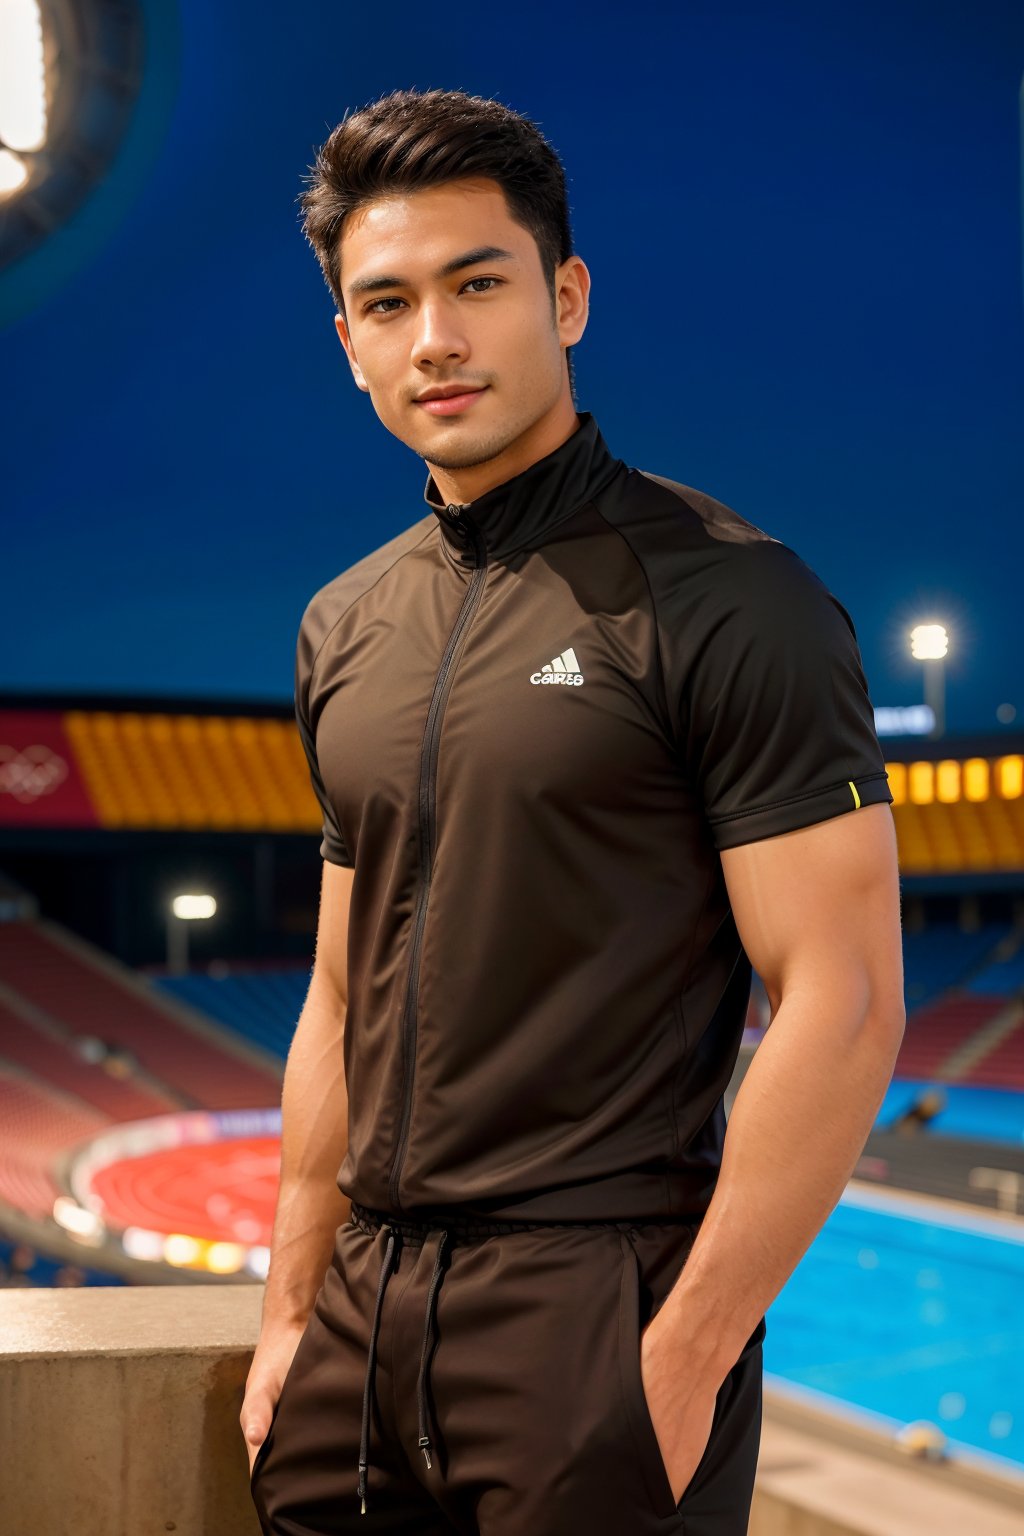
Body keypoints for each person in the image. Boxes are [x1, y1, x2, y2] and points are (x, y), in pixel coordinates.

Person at [243, 86, 905, 1535]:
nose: (438, 338)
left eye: (479, 284)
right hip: (357, 1333)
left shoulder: (734, 596)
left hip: (592, 1315)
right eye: (388, 301)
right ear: (347, 341)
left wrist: (682, 1353)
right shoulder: (342, 624)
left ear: (568, 294)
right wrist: (293, 1306)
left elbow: (843, 999)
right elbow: (342, 988)